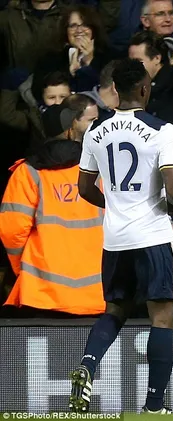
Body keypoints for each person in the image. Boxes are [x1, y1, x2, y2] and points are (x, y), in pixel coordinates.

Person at [68, 58, 173, 414]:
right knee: (162, 318)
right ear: (144, 89)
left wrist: (115, 205)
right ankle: (153, 405)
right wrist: (171, 208)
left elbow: (85, 188)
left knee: (115, 309)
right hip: (152, 237)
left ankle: (87, 366)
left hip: (115, 239)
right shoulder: (163, 130)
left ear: (116, 91)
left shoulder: (95, 132)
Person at [0, 104, 104, 317]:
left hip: (42, 295)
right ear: (71, 130)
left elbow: (12, 233)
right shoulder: (101, 169)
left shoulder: (27, 173)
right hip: (99, 294)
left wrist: (26, 271)